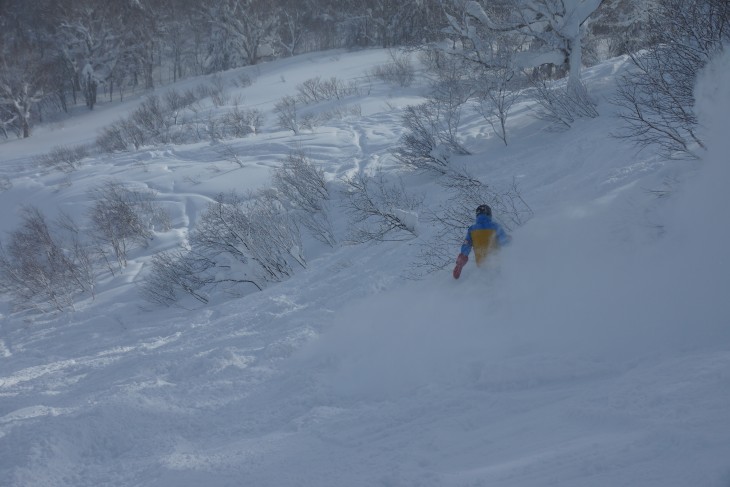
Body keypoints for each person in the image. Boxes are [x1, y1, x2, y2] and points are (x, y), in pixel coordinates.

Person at [453, 204, 510, 279]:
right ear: (489, 214)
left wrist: (460, 263)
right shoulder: (496, 226)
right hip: (497, 264)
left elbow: (466, 246)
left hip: (481, 265)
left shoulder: (472, 229)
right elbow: (505, 243)